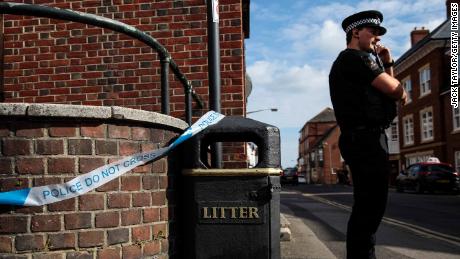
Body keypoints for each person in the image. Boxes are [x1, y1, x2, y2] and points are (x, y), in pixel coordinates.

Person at [329, 10, 408, 259]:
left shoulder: (360, 61)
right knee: (370, 208)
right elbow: (395, 91)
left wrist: (388, 65)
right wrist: (396, 86)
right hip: (365, 140)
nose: (377, 38)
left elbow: (391, 92)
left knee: (369, 207)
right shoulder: (357, 59)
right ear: (355, 32)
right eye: (372, 32)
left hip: (365, 138)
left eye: (378, 34)